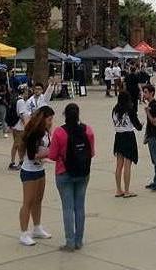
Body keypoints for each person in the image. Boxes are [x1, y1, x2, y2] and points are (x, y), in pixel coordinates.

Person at [49, 103, 95, 252]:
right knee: (80, 207)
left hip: (64, 172)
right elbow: (91, 152)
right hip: (83, 172)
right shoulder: (87, 130)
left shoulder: (59, 132)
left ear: (64, 115)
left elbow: (52, 155)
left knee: (67, 208)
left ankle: (70, 241)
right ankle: (79, 240)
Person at [18, 105, 55, 247]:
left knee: (38, 200)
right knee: (27, 202)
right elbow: (33, 155)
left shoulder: (45, 132)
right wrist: (51, 152)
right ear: (43, 119)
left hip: (40, 170)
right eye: (49, 119)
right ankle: (23, 233)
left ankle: (37, 227)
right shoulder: (33, 133)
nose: (51, 122)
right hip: (29, 171)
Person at [9, 82, 53, 170]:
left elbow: (48, 94)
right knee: (24, 143)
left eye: (39, 89)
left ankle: (35, 157)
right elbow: (25, 113)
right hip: (31, 124)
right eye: (36, 89)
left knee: (43, 141)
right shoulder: (29, 101)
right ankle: (19, 160)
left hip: (42, 124)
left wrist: (51, 85)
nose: (37, 91)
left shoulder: (43, 98)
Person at [112, 91, 142, 198]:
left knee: (119, 165)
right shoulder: (129, 110)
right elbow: (138, 126)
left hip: (118, 136)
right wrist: (141, 124)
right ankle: (127, 190)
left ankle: (118, 189)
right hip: (128, 136)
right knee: (127, 164)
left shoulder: (115, 110)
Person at [7, 86, 27, 170]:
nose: (27, 93)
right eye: (26, 91)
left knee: (16, 144)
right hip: (20, 126)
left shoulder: (15, 99)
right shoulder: (21, 101)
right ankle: (14, 162)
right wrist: (26, 124)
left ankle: (18, 161)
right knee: (18, 145)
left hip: (14, 125)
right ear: (23, 92)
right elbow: (21, 114)